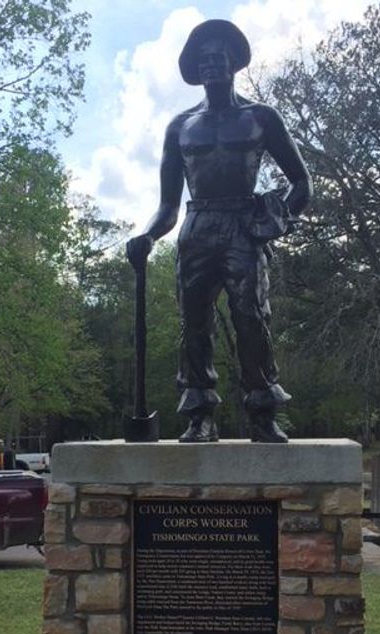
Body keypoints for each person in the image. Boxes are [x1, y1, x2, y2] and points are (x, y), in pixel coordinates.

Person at [127, 19, 312, 443]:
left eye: (218, 57)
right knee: (193, 323)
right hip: (197, 227)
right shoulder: (180, 127)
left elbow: (302, 182)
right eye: (203, 59)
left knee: (251, 318)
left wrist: (275, 217)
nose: (210, 64)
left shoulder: (261, 117)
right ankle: (199, 414)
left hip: (242, 227)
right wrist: (148, 236)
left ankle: (263, 411)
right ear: (195, 68)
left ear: (233, 64)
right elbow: (168, 205)